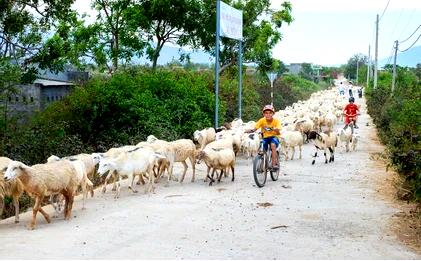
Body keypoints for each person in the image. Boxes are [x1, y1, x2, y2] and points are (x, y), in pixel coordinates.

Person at [245, 104, 281, 169]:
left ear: (273, 114)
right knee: (262, 147)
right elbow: (255, 128)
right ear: (264, 114)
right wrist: (250, 130)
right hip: (265, 137)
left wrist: (276, 129)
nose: (268, 115)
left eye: (270, 113)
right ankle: (262, 162)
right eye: (266, 113)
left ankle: (273, 164)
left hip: (274, 137)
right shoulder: (262, 120)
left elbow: (278, 131)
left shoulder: (276, 121)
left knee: (273, 145)